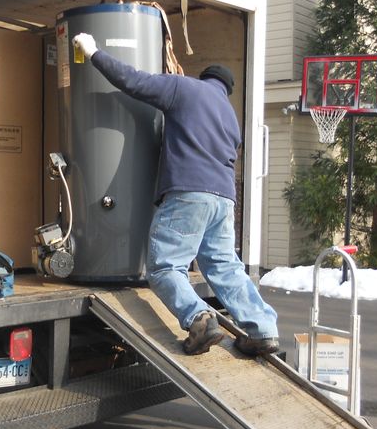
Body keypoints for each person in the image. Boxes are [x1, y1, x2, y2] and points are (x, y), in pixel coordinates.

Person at [71, 32, 279, 357]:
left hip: (188, 194)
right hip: (224, 200)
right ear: (226, 89)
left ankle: (199, 319)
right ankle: (262, 329)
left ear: (204, 78)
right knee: (225, 267)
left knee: (165, 267)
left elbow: (134, 81)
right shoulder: (231, 117)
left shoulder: (185, 88)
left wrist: (95, 53)